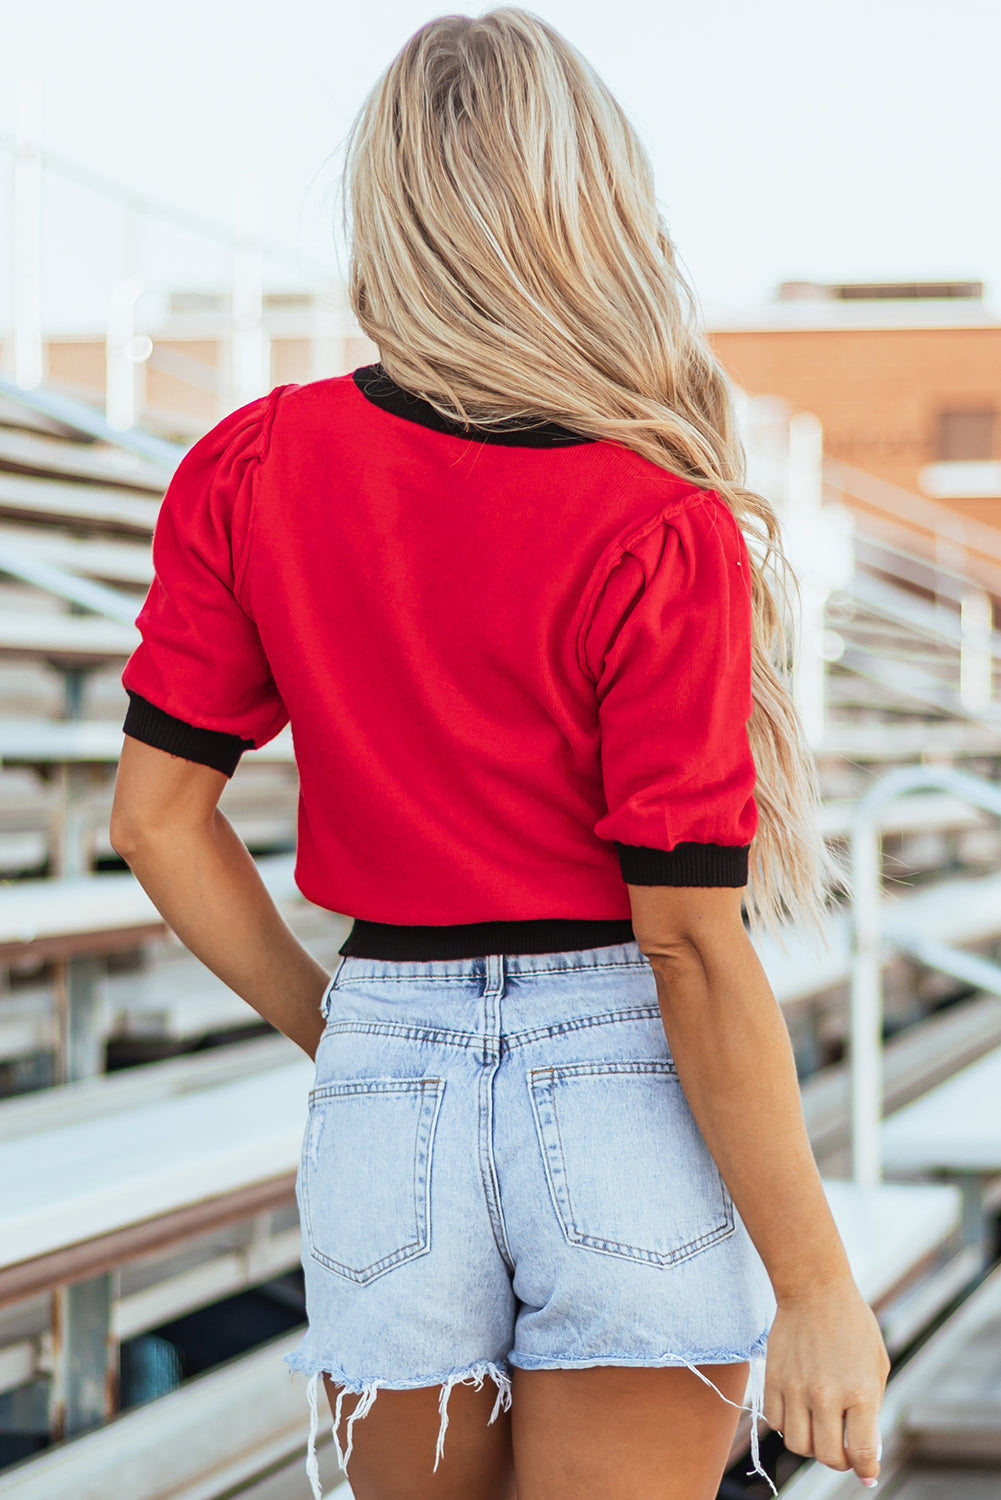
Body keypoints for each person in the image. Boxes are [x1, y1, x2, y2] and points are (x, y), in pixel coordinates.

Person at [110, 8, 890, 1498]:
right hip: (618, 1075)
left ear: (388, 209)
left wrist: (338, 1027)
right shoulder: (653, 520)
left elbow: (155, 822)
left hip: (385, 1074)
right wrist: (816, 1287)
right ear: (590, 208)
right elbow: (686, 947)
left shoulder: (253, 466)